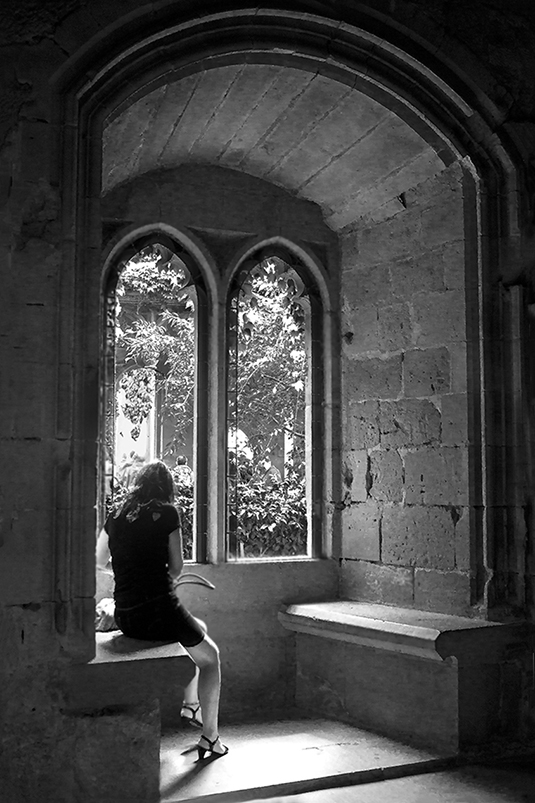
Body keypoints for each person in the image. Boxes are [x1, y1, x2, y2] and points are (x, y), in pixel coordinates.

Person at [96, 460, 227, 760]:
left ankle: (190, 704)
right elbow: (177, 568)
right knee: (211, 657)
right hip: (158, 611)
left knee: (198, 629)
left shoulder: (115, 516)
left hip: (127, 616)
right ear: (167, 488)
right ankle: (210, 737)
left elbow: (99, 560)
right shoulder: (168, 513)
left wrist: (126, 575)